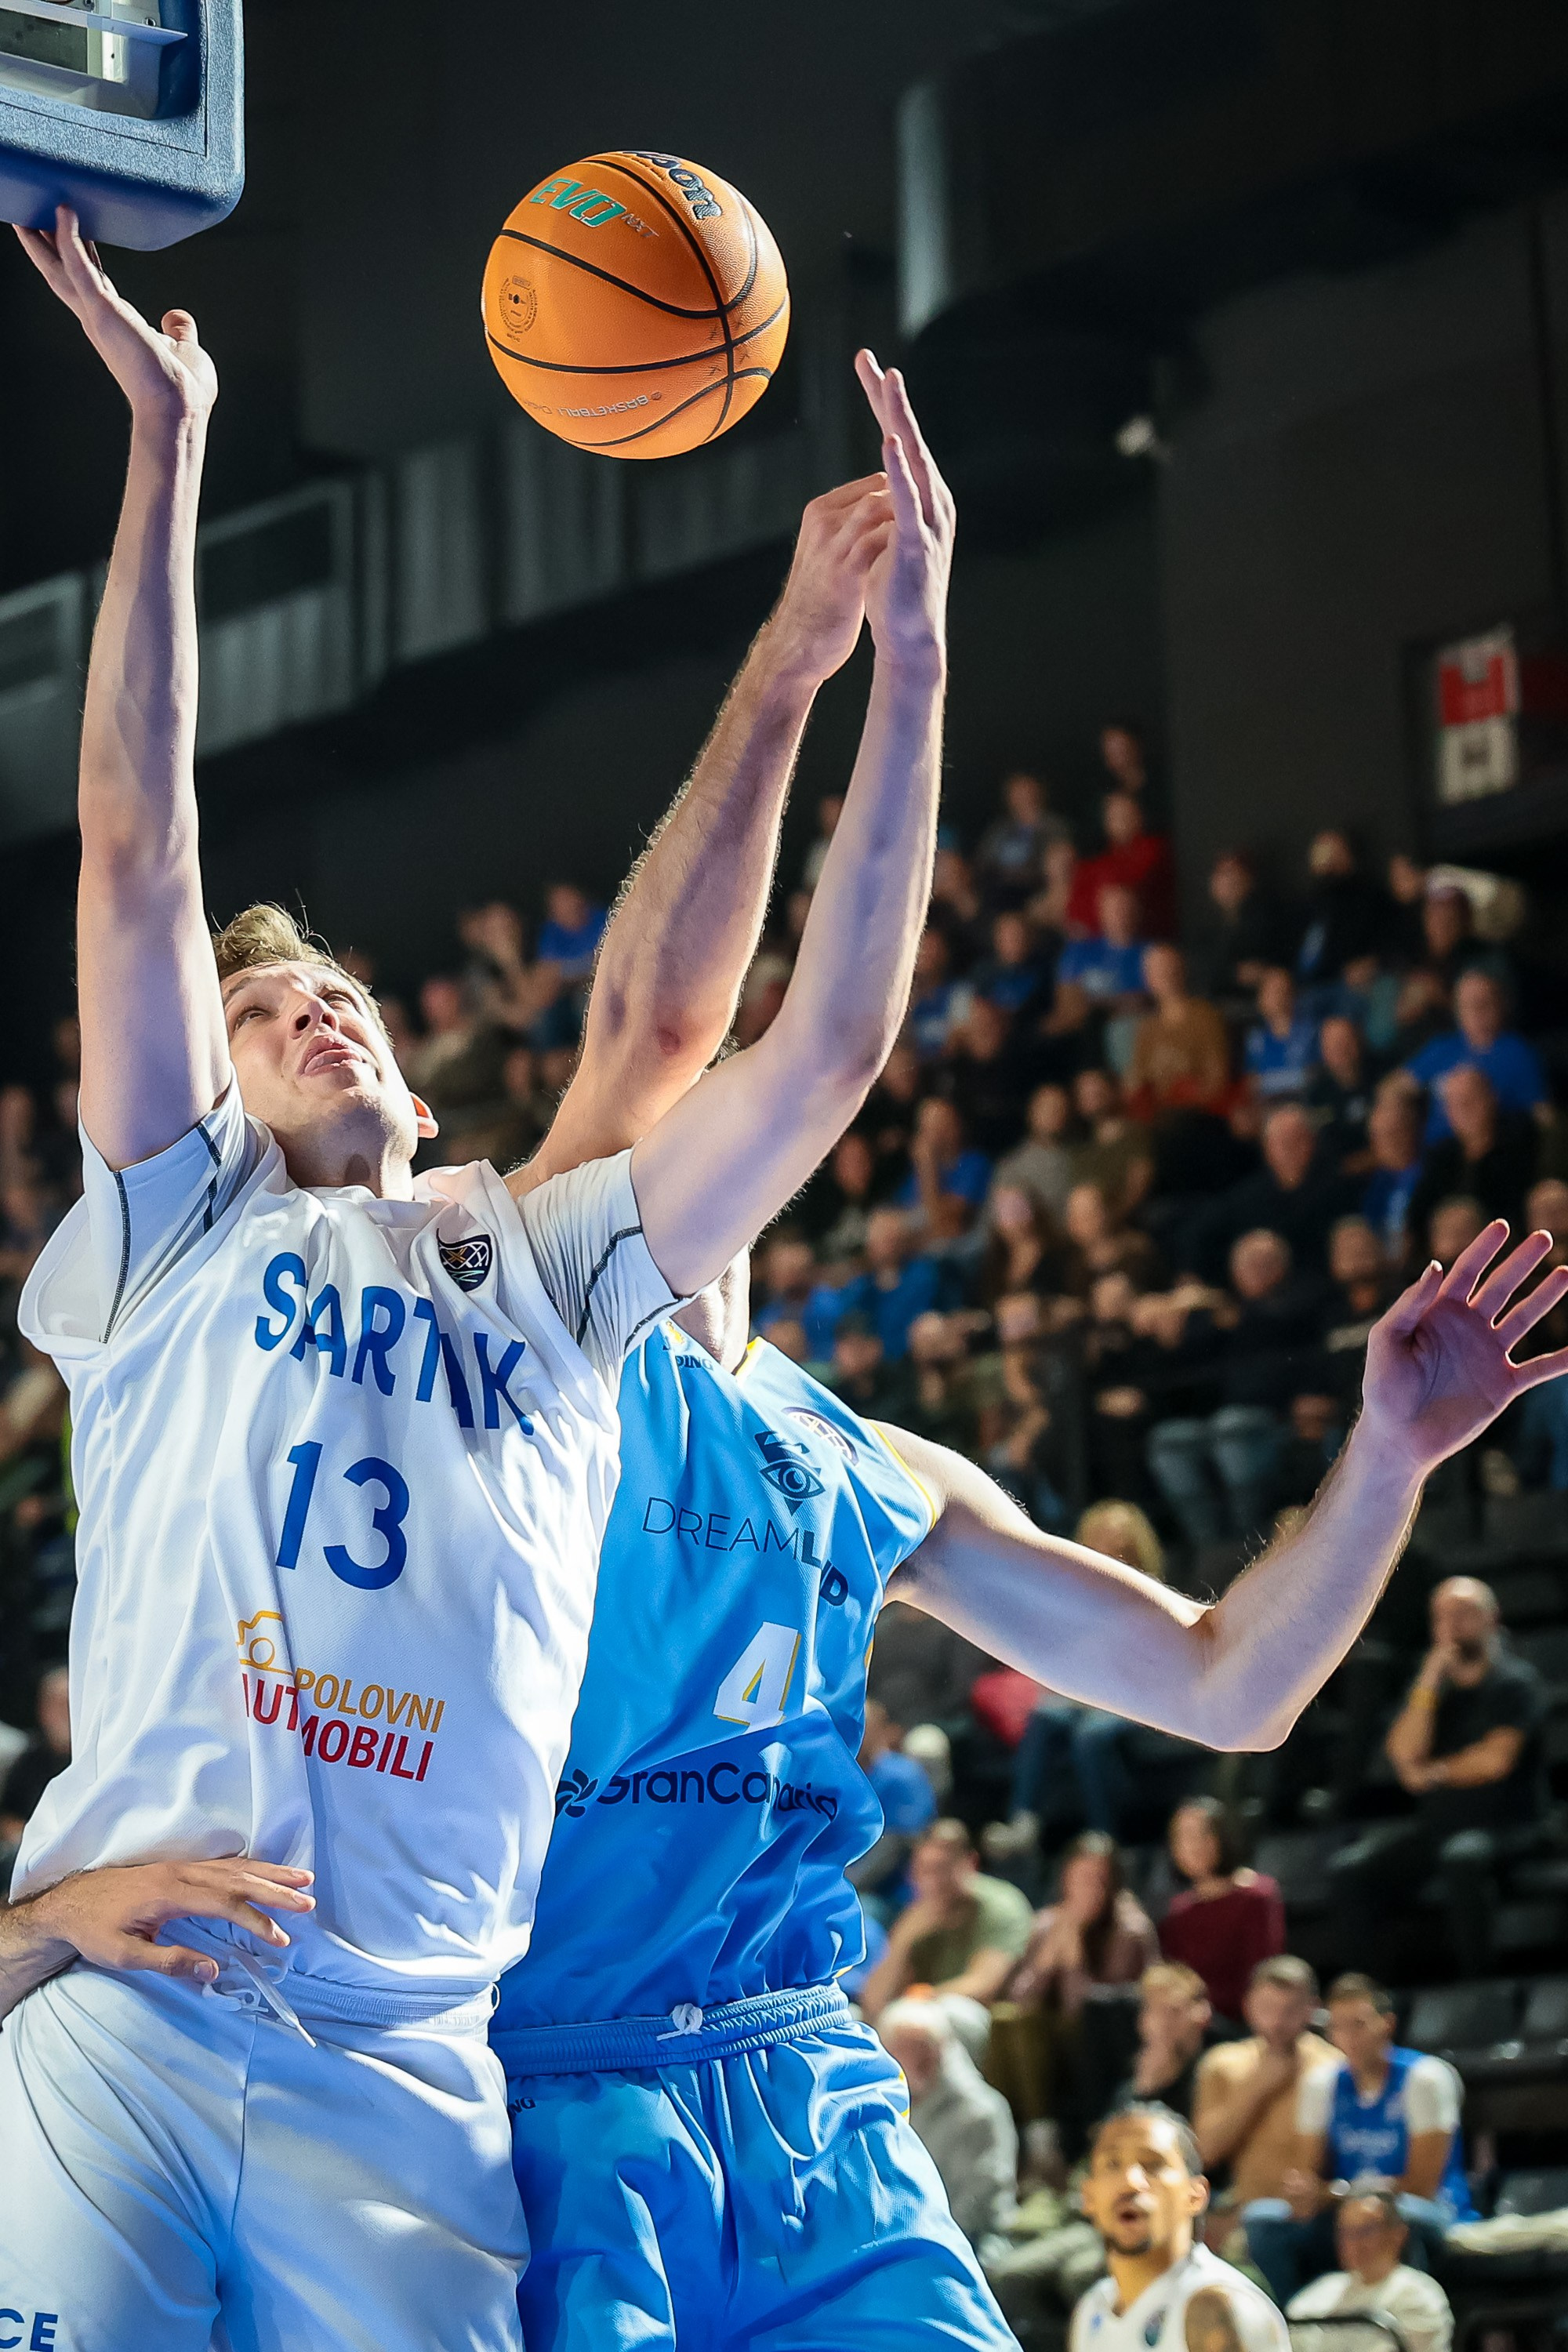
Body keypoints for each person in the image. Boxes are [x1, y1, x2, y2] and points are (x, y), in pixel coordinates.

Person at [0, 211, 954, 2350]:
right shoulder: (177, 1235)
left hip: (412, 2081)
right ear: (213, 1093)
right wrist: (169, 447)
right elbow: (141, 840)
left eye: (342, 993)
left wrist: (906, 666)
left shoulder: (535, 1272)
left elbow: (824, 1047)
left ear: (423, 1082)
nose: (313, 1011)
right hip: (136, 2029)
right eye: (267, 1014)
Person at [1329, 1576, 1551, 1978]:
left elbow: (1495, 1760)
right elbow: (1401, 1752)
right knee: (1352, 1871)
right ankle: (1371, 1989)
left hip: (1510, 1825)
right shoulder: (1433, 1688)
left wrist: (1435, 1772)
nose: (1453, 1625)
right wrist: (1429, 1680)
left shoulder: (1514, 1683)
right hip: (1440, 1826)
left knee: (1462, 1858)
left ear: (1492, 1618)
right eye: (1443, 1616)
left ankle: (1477, 1982)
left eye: (1465, 1614)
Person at [1242, 1974, 1477, 2307]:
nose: (1349, 2038)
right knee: (1262, 2221)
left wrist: (1335, 2194)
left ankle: (1406, 2323)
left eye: (1359, 2025)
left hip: (1426, 2213)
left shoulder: (1425, 2079)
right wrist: (1303, 2193)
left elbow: (1421, 2187)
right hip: (1345, 2212)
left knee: (1393, 2220)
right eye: (1338, 2027)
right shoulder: (1322, 2084)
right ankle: (1297, 2326)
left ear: (1387, 2024)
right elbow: (1308, 2175)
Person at [1073, 2103, 1288, 2352]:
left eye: (1153, 2165)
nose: (1130, 2182)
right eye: (1112, 2165)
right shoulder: (1091, 2308)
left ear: (1195, 2196)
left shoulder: (1219, 2306)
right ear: (1088, 2197)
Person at [989, 1832, 1160, 2125]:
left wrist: (1073, 1960)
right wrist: (1045, 1963)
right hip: (1051, 2036)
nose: (1088, 1889)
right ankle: (1028, 2128)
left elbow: (1090, 2013)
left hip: (1108, 2041)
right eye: (1080, 1878)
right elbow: (1018, 1998)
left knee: (1033, 2026)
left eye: (1099, 1880)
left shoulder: (1130, 1930)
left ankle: (1044, 2130)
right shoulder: (1048, 1923)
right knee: (1006, 2019)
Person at [858, 1819, 1036, 2033]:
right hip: (918, 2011)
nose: (933, 1881)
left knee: (937, 2014)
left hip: (979, 2016)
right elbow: (874, 2002)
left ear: (971, 1863)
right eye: (924, 1870)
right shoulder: (915, 1913)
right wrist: (903, 1940)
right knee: (854, 2017)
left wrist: (922, 1997)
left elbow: (984, 1983)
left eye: (942, 1869)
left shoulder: (1002, 1904)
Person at [1192, 1958, 1338, 2213]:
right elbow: (1204, 2153)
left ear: (1312, 2009)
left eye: (1290, 2010)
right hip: (1243, 2211)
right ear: (1248, 2006)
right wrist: (1257, 2087)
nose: (1277, 2022)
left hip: (1316, 2213)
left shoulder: (1335, 2067)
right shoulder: (1222, 2064)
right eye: (1268, 2008)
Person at [877, 1998, 1021, 2255]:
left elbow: (977, 2207)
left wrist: (916, 2242)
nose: (917, 2060)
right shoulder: (879, 2109)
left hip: (972, 2246)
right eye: (900, 2049)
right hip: (897, 2243)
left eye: (924, 2049)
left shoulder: (980, 2112)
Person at [1158, 1799, 1284, 2028]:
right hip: (1193, 2022)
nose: (1193, 1846)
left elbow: (1261, 1973)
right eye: (1183, 1838)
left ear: (1222, 1837)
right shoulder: (1178, 1912)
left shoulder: (1257, 1896)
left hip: (1242, 2022)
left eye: (1202, 1835)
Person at [1285, 2190, 1454, 2352]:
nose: (1354, 2243)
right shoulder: (1320, 2292)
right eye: (1346, 2232)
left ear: (1398, 2235)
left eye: (1366, 2231)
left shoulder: (1419, 2296)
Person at [1405, 971, 1548, 1142]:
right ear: (1458, 1011)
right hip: (1436, 1151)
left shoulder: (1518, 1053)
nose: (1477, 1012)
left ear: (1500, 1006)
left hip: (1490, 1149)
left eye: (1484, 1004)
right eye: (1468, 1005)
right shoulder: (1442, 1047)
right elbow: (1395, 1087)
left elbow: (1544, 1117)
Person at [851, 1697, 939, 1916]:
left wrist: (847, 1883)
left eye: (864, 1725)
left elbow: (895, 1847)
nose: (856, 1731)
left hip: (890, 1894)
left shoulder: (903, 1777)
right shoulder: (838, 1774)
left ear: (882, 1731)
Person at [1127, 947, 1231, 1115]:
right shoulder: (1147, 1028)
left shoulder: (1205, 1017)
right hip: (1158, 1116)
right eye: (1157, 971)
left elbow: (1216, 1079)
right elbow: (1137, 1080)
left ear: (1182, 970)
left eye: (1169, 968)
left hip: (1195, 1113)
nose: (1166, 975)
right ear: (1148, 979)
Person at [1116, 1963, 1216, 2121]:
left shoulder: (1215, 2074)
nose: (1163, 2024)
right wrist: (1144, 2092)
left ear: (1203, 2015)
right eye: (1154, 2010)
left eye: (1173, 2011)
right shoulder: (1130, 2084)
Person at [0, 1665, 71, 1850]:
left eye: (70, 1704)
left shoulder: (96, 1756)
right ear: (42, 1709)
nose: (66, 1714)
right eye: (59, 1704)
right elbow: (9, 1817)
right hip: (34, 1853)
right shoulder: (28, 1761)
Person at [1246, 970, 1320, 1104]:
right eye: (1273, 992)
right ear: (1261, 999)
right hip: (1268, 1106)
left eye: (1284, 991)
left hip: (1305, 1103)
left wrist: (1267, 1082)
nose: (1279, 998)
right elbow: (1252, 1083)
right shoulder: (1256, 1040)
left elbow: (1315, 1075)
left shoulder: (1311, 1032)